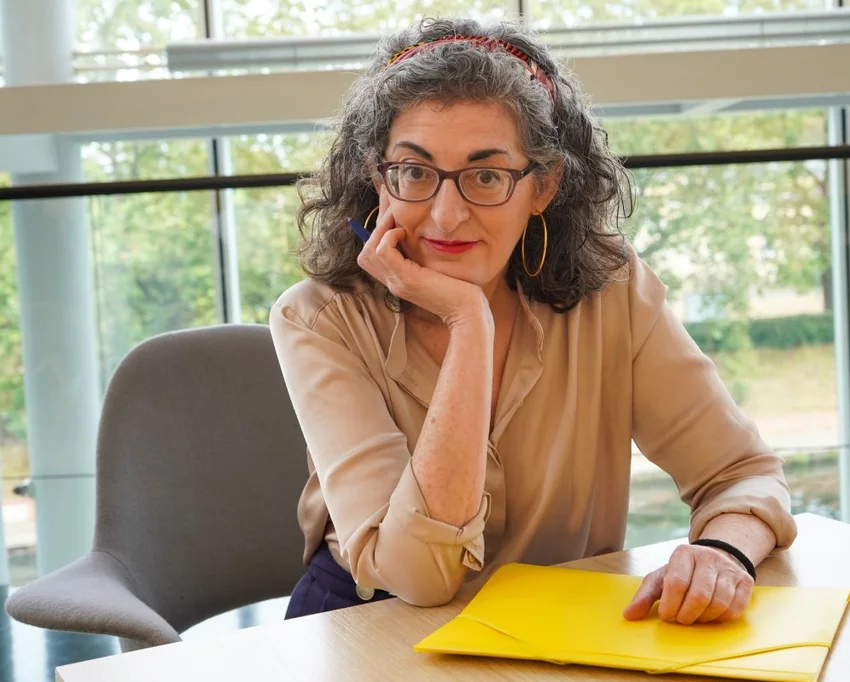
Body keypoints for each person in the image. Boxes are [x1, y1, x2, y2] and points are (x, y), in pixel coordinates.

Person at [269, 17, 797, 626]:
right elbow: (419, 577)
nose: (445, 214)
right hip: (374, 626)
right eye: (414, 171)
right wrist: (469, 321)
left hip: (559, 627)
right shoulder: (316, 317)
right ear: (377, 178)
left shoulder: (615, 290)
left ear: (542, 186)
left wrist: (721, 551)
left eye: (486, 176)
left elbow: (740, 473)